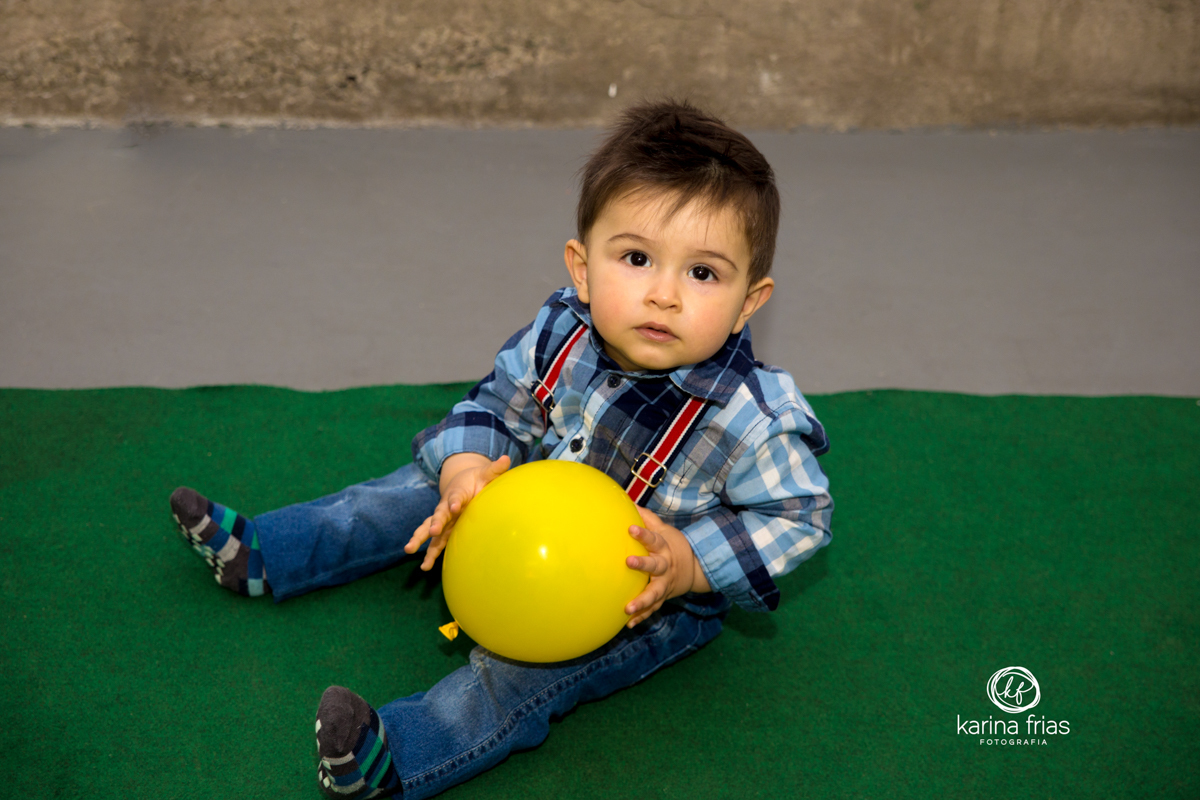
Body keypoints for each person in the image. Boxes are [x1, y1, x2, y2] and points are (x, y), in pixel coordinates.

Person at [169, 99, 834, 799]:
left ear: (749, 301)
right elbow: (497, 404)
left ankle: (395, 758)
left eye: (703, 273)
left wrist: (690, 563)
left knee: (520, 677)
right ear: (582, 268)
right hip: (522, 510)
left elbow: (801, 516)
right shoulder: (562, 330)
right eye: (636, 258)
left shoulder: (753, 417)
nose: (663, 295)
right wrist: (465, 471)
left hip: (636, 595)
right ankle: (268, 553)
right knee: (404, 493)